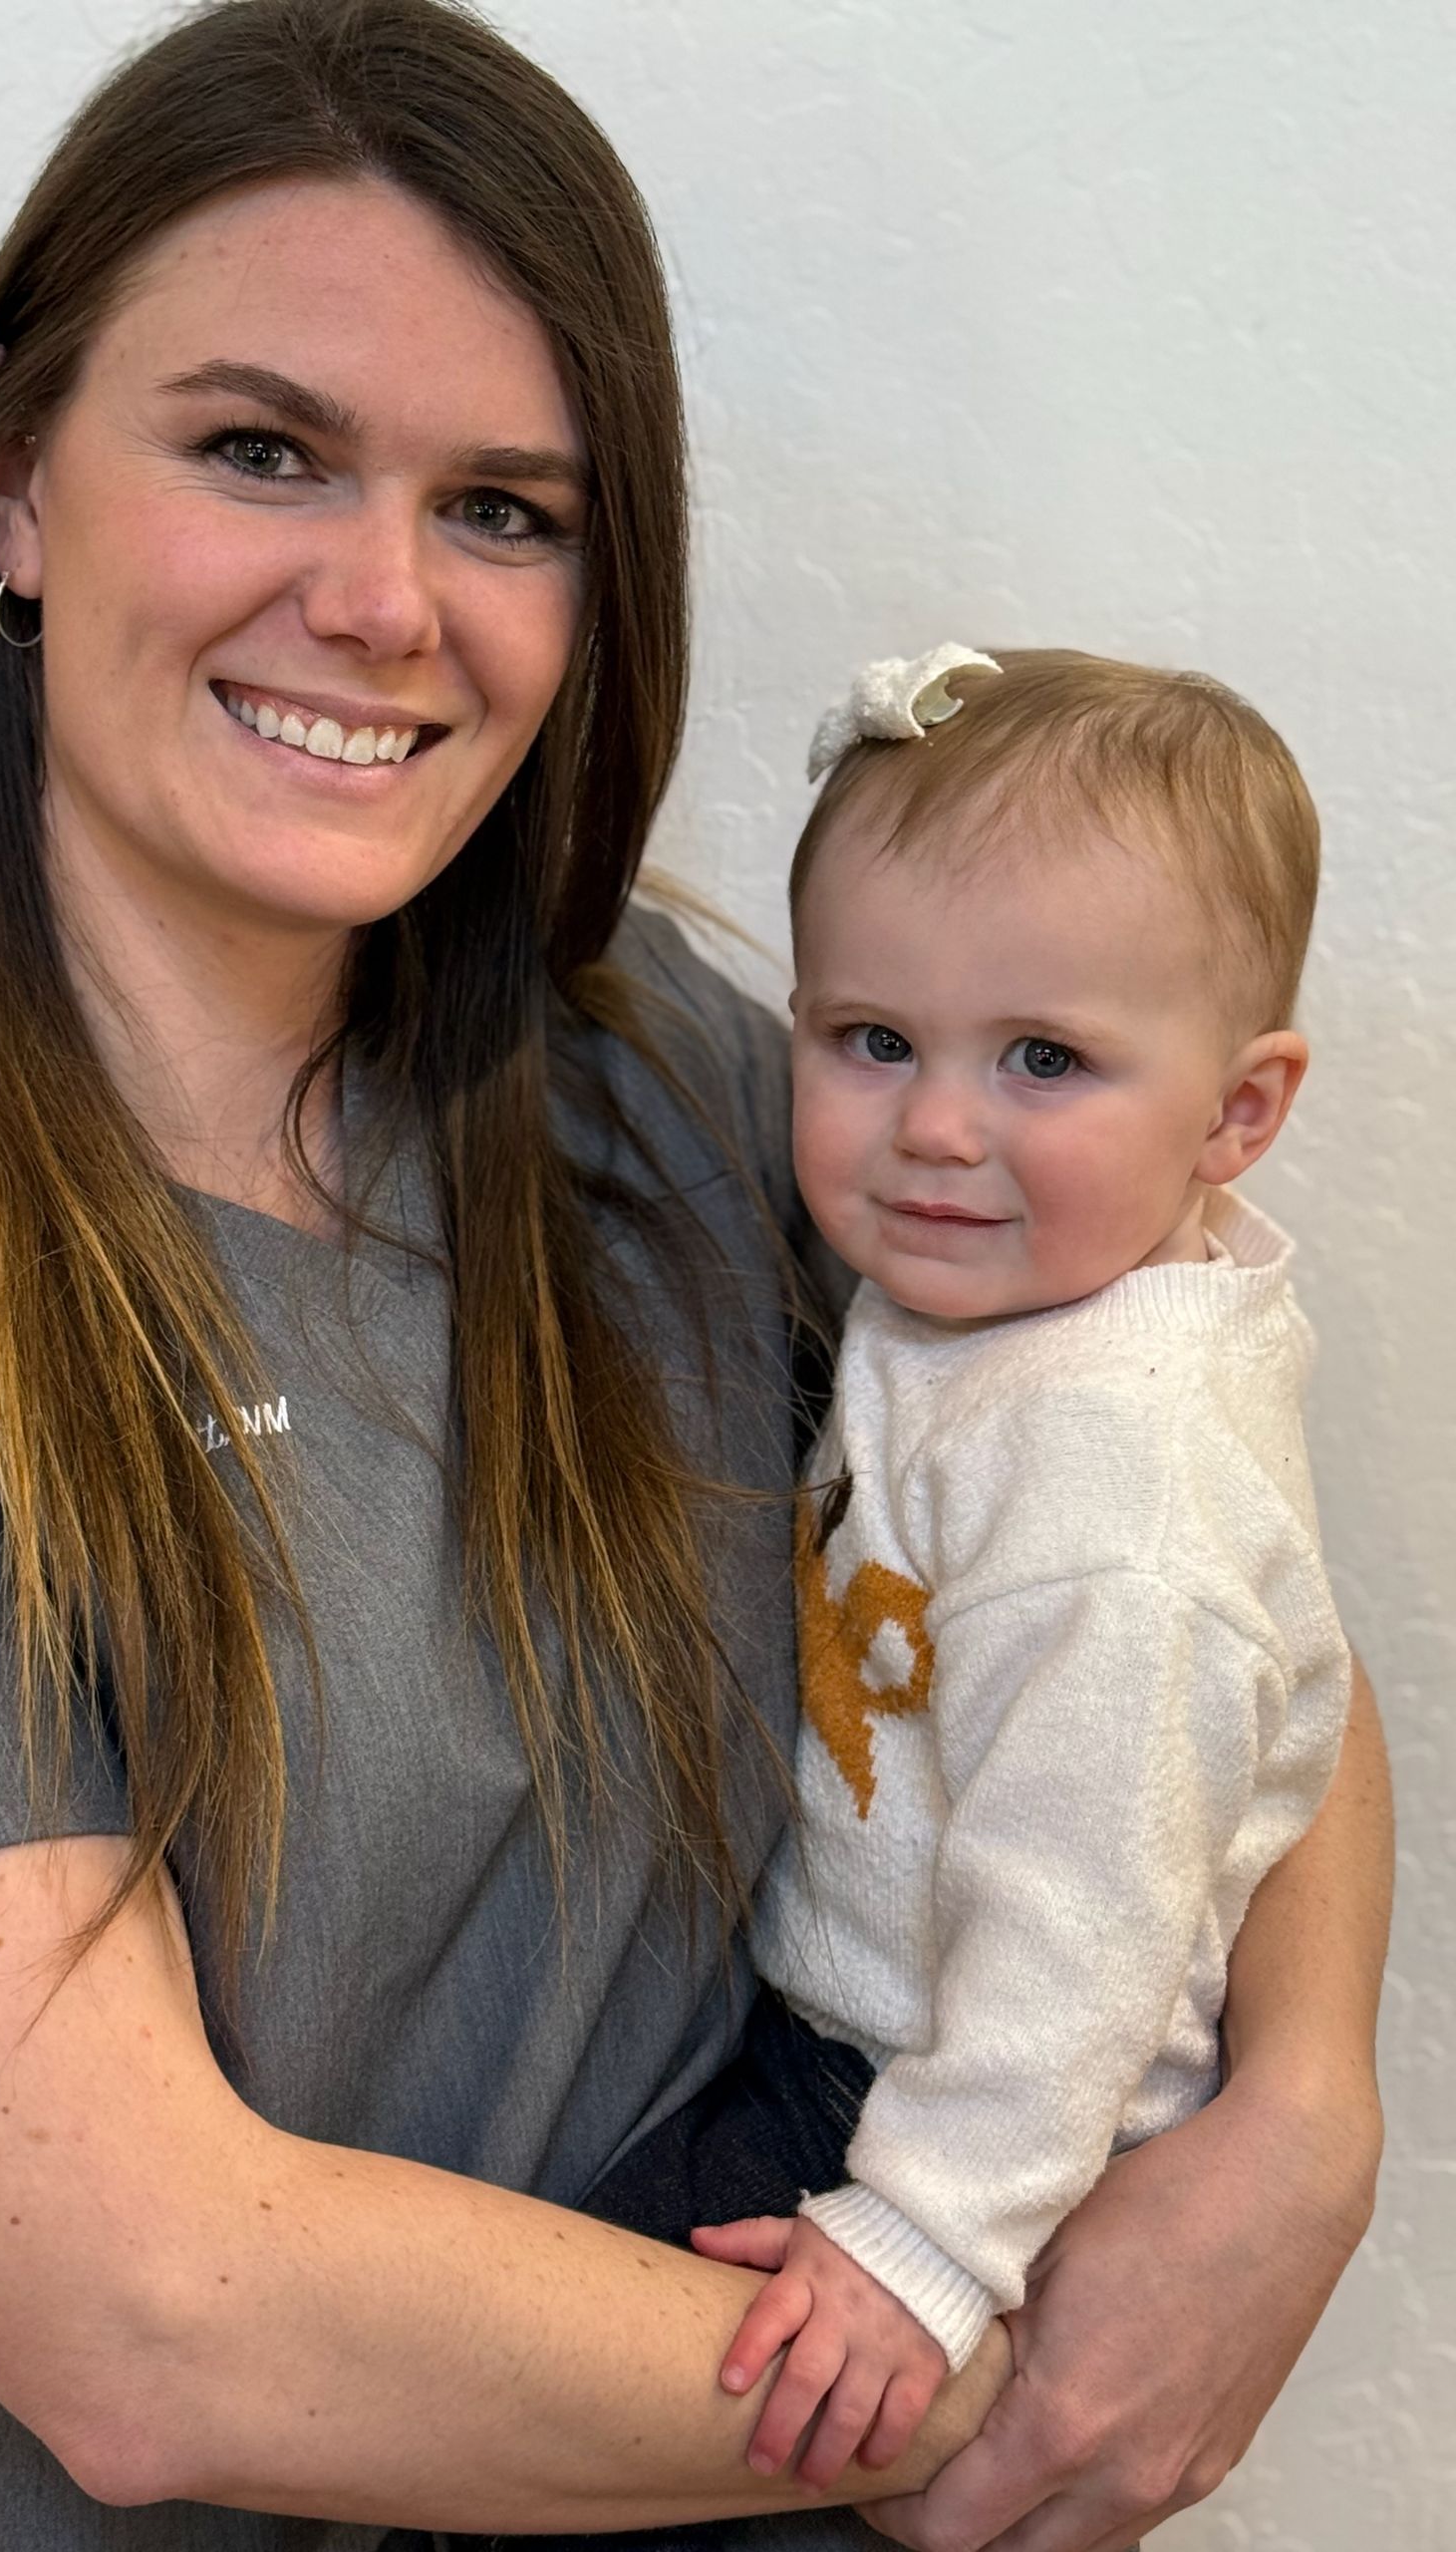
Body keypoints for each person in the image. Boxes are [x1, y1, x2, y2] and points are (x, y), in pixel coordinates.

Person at [0, 8, 1388, 2551]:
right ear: (14, 494)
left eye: (508, 506)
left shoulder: (661, 1070)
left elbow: (1173, 1531)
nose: (385, 600)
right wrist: (988, 2360)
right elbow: (155, 2316)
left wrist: (1302, 2115)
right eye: (260, 448)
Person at [595, 643, 1351, 2500]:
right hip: (874, 2055)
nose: (937, 1127)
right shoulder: (1024, 1297)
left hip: (943, 2117)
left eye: (1043, 1060)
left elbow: (1088, 1908)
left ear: (1239, 1113)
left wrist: (921, 2238)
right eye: (872, 1042)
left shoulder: (1114, 1473)